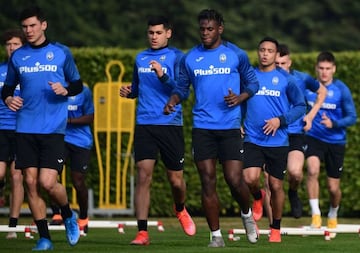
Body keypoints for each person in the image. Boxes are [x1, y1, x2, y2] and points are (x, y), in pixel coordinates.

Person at [164, 9, 259, 247]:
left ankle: (247, 214)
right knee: (208, 181)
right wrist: (173, 101)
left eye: (210, 29)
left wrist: (240, 98)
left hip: (229, 128)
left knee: (234, 179)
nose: (205, 33)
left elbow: (253, 83)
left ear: (220, 29)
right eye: (202, 29)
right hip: (203, 128)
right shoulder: (190, 58)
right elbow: (183, 88)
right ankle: (216, 236)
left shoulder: (236, 54)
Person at [1, 6, 83, 250]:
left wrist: (65, 90)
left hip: (53, 129)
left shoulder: (61, 53)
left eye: (32, 26)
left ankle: (68, 215)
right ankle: (44, 237)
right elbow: (7, 89)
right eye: (25, 27)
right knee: (30, 182)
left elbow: (77, 84)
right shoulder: (18, 57)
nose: (28, 31)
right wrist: (7, 99)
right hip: (25, 128)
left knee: (48, 183)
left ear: (43, 25)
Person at [119, 15, 196, 246]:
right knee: (143, 175)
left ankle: (180, 208)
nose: (154, 37)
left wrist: (163, 75)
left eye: (158, 33)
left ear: (168, 33)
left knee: (175, 181)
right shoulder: (140, 57)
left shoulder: (178, 57)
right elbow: (138, 86)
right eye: (151, 33)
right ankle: (142, 232)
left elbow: (182, 91)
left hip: (170, 124)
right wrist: (130, 92)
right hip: (145, 124)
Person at [242, 37, 306, 242]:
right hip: (252, 138)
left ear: (276, 54)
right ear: (258, 52)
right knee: (249, 178)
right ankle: (258, 197)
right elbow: (239, 101)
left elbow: (300, 106)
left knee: (276, 186)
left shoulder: (286, 79)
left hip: (277, 141)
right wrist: (238, 122)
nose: (265, 53)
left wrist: (281, 120)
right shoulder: (248, 77)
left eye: (270, 50)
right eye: (262, 49)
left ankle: (275, 228)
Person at [273, 44, 327, 219]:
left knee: (295, 173)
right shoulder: (265, 78)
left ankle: (293, 192)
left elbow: (322, 91)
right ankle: (274, 226)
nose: (279, 66)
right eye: (277, 63)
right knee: (270, 180)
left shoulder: (302, 79)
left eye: (283, 63)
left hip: (295, 133)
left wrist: (310, 116)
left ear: (289, 63)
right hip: (272, 132)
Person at [305, 51, 356, 229]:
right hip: (313, 137)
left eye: (328, 68)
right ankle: (316, 215)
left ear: (333, 69)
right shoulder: (308, 88)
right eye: (321, 68)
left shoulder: (341, 89)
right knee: (312, 170)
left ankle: (333, 212)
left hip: (335, 141)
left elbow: (352, 117)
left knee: (333, 188)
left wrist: (334, 123)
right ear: (316, 69)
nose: (324, 72)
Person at [49, 84, 94, 236]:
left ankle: (83, 217)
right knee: (50, 177)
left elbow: (90, 117)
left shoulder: (84, 90)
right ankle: (57, 213)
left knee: (78, 181)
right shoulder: (53, 88)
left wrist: (67, 121)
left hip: (81, 141)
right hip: (59, 139)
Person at [0, 29, 26, 239]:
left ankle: (12, 227)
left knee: (17, 177)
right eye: (9, 44)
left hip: (22, 131)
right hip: (1, 129)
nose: (11, 48)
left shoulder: (29, 71)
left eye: (16, 44)